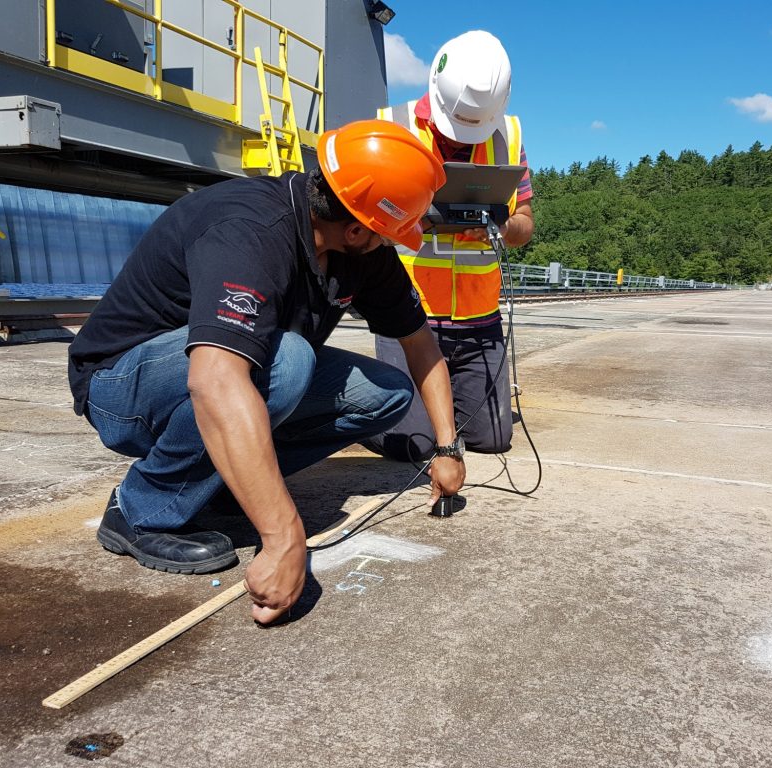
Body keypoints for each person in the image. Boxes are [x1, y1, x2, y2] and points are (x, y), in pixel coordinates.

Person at [67, 120, 466, 625]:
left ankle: (226, 484)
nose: (392, 245)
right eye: (388, 234)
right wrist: (283, 537)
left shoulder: (361, 249)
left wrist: (447, 447)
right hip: (120, 386)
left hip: (235, 373)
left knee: (385, 393)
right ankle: (140, 508)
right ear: (359, 228)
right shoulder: (251, 228)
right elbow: (214, 379)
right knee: (289, 361)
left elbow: (419, 342)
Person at [365, 30, 534, 463]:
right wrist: (414, 218)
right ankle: (370, 415)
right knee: (414, 446)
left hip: (480, 321)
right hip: (410, 318)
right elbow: (366, 227)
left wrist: (500, 223)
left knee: (494, 438)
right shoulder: (392, 127)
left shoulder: (508, 136)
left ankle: (434, 407)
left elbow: (525, 226)